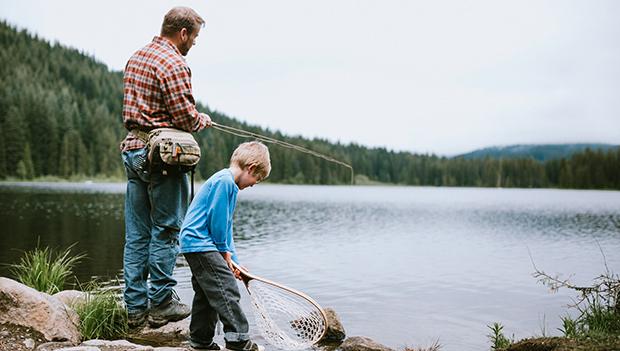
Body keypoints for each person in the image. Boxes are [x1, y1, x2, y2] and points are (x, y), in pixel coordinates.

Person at [120, 6, 211, 328]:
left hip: (133, 152)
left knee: (136, 236)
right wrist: (201, 120)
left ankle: (134, 308)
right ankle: (160, 302)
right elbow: (185, 117)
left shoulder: (137, 56)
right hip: (161, 159)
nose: (194, 44)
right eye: (195, 37)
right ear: (183, 33)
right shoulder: (174, 62)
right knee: (167, 230)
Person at [179, 141, 271, 351]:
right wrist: (224, 255)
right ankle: (238, 340)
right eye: (257, 178)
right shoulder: (225, 182)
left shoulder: (228, 184)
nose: (255, 183)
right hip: (200, 243)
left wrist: (235, 262)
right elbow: (217, 223)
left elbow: (226, 229)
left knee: (207, 292)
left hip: (199, 244)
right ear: (251, 168)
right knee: (227, 287)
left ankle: (200, 342)